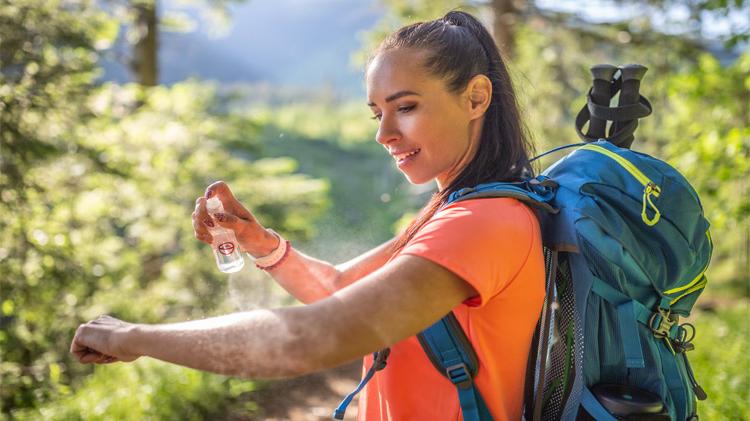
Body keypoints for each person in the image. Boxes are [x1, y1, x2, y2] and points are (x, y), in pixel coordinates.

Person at [70, 10, 545, 421]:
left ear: (476, 98)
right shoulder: (454, 209)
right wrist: (262, 244)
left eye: (405, 107)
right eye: (376, 112)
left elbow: (310, 339)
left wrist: (137, 338)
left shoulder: (481, 223)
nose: (384, 134)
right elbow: (341, 292)